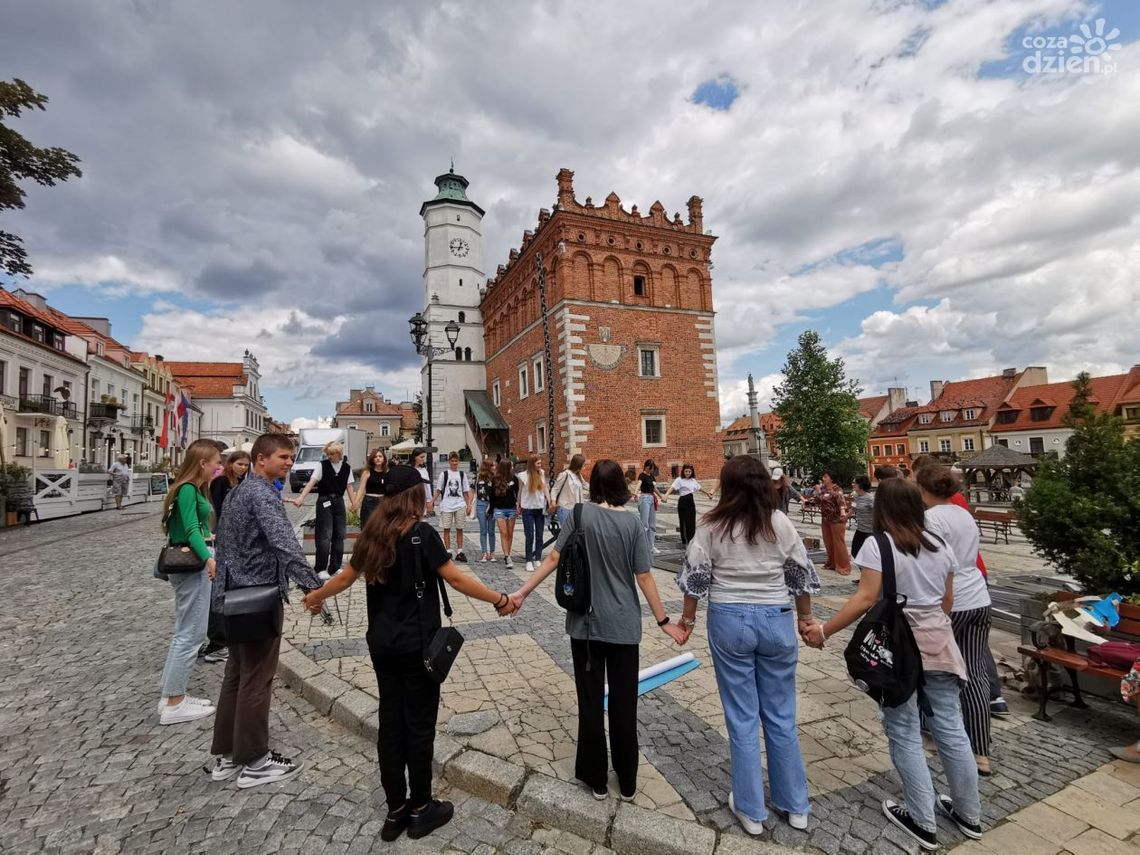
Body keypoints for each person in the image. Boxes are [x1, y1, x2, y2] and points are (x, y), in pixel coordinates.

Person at [301, 466, 517, 841]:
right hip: (418, 645)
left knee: (391, 723)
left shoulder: (372, 534)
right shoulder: (421, 534)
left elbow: (346, 577)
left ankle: (395, 810)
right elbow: (455, 578)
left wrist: (316, 596)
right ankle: (421, 808)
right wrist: (500, 599)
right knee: (418, 725)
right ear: (414, 495)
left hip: (382, 644)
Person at [801, 479, 982, 850]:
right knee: (951, 728)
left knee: (903, 729)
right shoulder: (939, 544)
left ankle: (922, 819)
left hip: (900, 647)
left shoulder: (879, 544)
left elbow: (865, 599)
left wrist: (823, 630)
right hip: (939, 642)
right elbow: (947, 600)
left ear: (883, 507)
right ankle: (969, 813)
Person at [508, 460, 686, 800]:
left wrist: (521, 593)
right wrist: (664, 622)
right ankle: (628, 779)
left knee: (590, 702)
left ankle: (596, 779)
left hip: (586, 625)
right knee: (624, 703)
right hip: (624, 625)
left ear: (594, 486)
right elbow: (644, 576)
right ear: (620, 484)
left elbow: (552, 560)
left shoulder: (579, 515)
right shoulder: (632, 523)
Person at [676, 456, 819, 834]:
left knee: (742, 717)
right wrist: (805, 618)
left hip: (729, 617)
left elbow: (696, 578)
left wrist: (687, 621)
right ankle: (795, 804)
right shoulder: (779, 522)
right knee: (781, 714)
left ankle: (751, 808)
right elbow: (800, 574)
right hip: (776, 617)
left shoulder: (712, 524)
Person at [208, 433, 325, 788]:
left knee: (237, 675)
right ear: (262, 459)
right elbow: (285, 544)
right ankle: (254, 760)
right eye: (284, 457)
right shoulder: (261, 494)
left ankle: (228, 755)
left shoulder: (238, 491)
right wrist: (313, 587)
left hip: (232, 594)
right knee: (257, 678)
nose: (290, 463)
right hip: (256, 595)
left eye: (290, 457)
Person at [917, 463, 995, 776]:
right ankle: (980, 750)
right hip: (978, 597)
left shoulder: (931, 519)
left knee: (932, 669)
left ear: (923, 489)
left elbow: (932, 563)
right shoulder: (965, 515)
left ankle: (934, 727)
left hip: (950, 600)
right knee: (975, 673)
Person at [156, 439, 221, 725]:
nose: (218, 467)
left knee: (185, 631)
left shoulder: (187, 488)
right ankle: (175, 703)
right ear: (202, 462)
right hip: (192, 565)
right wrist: (208, 558)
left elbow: (190, 527)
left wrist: (209, 537)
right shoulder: (187, 489)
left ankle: (171, 695)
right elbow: (192, 529)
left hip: (190, 561)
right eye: (216, 462)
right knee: (192, 634)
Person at [292, 441, 358, 582]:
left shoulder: (346, 468)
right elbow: (312, 482)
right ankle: (321, 568)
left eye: (331, 454)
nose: (329, 456)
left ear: (338, 453)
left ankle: (335, 566)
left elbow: (349, 487)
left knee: (339, 535)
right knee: (324, 535)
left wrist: (354, 504)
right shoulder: (322, 465)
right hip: (324, 501)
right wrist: (301, 497)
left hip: (339, 501)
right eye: (328, 454)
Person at [432, 452, 473, 562]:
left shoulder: (462, 474)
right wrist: (432, 501)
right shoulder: (444, 474)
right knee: (447, 528)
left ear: (458, 462)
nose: (454, 463)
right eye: (452, 461)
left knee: (460, 528)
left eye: (456, 461)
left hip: (460, 504)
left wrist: (469, 504)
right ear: (449, 461)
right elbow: (438, 490)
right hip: (446, 505)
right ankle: (448, 550)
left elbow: (466, 491)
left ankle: (460, 551)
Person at [662, 463, 712, 546]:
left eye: (689, 471)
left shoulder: (693, 480)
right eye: (686, 471)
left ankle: (691, 539)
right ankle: (685, 540)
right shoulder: (679, 479)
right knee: (684, 521)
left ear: (691, 472)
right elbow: (672, 487)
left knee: (691, 520)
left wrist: (707, 494)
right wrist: (666, 495)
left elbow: (700, 488)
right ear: (683, 471)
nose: (687, 473)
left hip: (690, 501)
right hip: (683, 501)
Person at [815, 468, 851, 575]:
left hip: (837, 519)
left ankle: (843, 566)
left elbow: (841, 503)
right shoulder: (823, 489)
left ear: (831, 479)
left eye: (826, 477)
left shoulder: (837, 489)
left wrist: (843, 513)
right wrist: (816, 493)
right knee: (828, 542)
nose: (823, 478)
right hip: (826, 519)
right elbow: (817, 501)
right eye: (823, 476)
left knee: (838, 543)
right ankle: (832, 563)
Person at [519, 454, 550, 573]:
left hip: (539, 508)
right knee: (529, 535)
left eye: (540, 463)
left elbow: (545, 488)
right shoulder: (523, 476)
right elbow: (520, 491)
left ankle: (538, 558)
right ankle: (528, 560)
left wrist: (550, 501)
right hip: (527, 508)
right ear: (532, 464)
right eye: (538, 463)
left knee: (539, 535)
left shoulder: (541, 473)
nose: (540, 465)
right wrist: (518, 504)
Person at [490, 460, 520, 568]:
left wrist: (518, 504)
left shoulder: (514, 478)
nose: (512, 468)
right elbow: (492, 496)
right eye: (510, 466)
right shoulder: (495, 479)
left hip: (511, 508)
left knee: (510, 533)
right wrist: (491, 509)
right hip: (499, 509)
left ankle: (508, 553)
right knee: (503, 533)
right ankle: (507, 556)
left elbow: (517, 492)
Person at [210, 451, 250, 519]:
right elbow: (216, 505)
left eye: (246, 465)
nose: (243, 467)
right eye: (240, 464)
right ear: (231, 464)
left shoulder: (241, 481)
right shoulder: (220, 481)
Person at [355, 448, 388, 529]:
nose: (378, 458)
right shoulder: (367, 472)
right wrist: (355, 503)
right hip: (369, 502)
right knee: (367, 527)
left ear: (384, 459)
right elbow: (361, 489)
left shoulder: (387, 473)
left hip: (383, 502)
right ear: (372, 459)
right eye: (375, 457)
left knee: (381, 527)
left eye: (380, 456)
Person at [549, 454, 586, 527]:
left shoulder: (578, 475)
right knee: (567, 532)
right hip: (565, 509)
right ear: (578, 465)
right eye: (583, 465)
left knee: (575, 532)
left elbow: (585, 486)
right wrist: (553, 502)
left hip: (576, 509)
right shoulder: (565, 474)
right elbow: (555, 489)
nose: (584, 467)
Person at [637, 459, 662, 555]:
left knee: (652, 525)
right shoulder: (642, 475)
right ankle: (641, 547)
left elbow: (654, 488)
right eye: (651, 468)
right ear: (647, 467)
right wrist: (635, 492)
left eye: (653, 469)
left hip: (652, 499)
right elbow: (639, 484)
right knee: (644, 525)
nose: (652, 471)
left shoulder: (651, 476)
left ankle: (651, 546)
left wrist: (661, 496)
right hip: (644, 498)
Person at [474, 459, 497, 562]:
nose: (494, 467)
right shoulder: (478, 477)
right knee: (483, 530)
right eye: (492, 465)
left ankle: (492, 553)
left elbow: (496, 493)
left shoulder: (495, 478)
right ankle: (484, 553)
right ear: (487, 467)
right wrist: (469, 504)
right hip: (481, 504)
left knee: (491, 530)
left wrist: (491, 506)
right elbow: (473, 490)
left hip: (491, 504)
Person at [850, 475, 875, 561]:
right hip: (860, 529)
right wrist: (845, 517)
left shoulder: (870, 498)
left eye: (855, 483)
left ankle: (869, 568)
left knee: (869, 554)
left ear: (861, 484)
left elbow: (878, 513)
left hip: (870, 531)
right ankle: (863, 567)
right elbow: (853, 508)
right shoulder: (856, 496)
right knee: (855, 551)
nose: (852, 484)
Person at [413, 449, 433, 514]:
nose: (423, 459)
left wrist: (429, 500)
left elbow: (427, 487)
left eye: (424, 457)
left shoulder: (424, 470)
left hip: (422, 499)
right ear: (415, 457)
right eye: (421, 457)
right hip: (411, 500)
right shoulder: (410, 470)